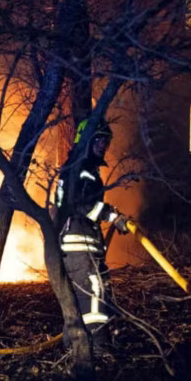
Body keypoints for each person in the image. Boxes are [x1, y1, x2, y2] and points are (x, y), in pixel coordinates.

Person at [54, 119, 131, 347]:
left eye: (106, 141)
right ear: (86, 139)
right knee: (94, 293)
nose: (103, 145)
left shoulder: (80, 167)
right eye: (98, 139)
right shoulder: (80, 168)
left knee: (85, 297)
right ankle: (97, 347)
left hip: (81, 243)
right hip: (78, 244)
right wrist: (112, 216)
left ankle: (75, 347)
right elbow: (80, 203)